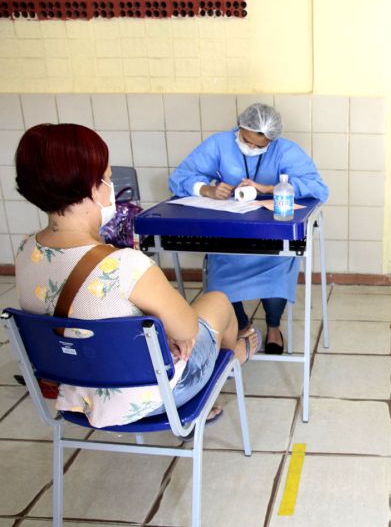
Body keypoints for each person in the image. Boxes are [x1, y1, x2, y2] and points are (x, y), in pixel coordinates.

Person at [14, 123, 259, 428]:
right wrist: (171, 334)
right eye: (107, 177)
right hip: (153, 399)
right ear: (92, 187)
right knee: (218, 300)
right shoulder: (125, 265)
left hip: (76, 392)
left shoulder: (25, 250)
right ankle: (230, 363)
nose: (110, 186)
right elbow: (187, 330)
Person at [168, 103, 329, 354]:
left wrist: (269, 188)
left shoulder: (285, 150)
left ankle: (273, 326)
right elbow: (179, 177)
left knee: (278, 274)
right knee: (220, 280)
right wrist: (205, 189)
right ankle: (242, 326)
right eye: (247, 141)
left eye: (260, 145)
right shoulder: (219, 144)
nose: (252, 147)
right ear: (240, 127)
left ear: (272, 140)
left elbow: (318, 188)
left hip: (273, 240)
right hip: (229, 239)